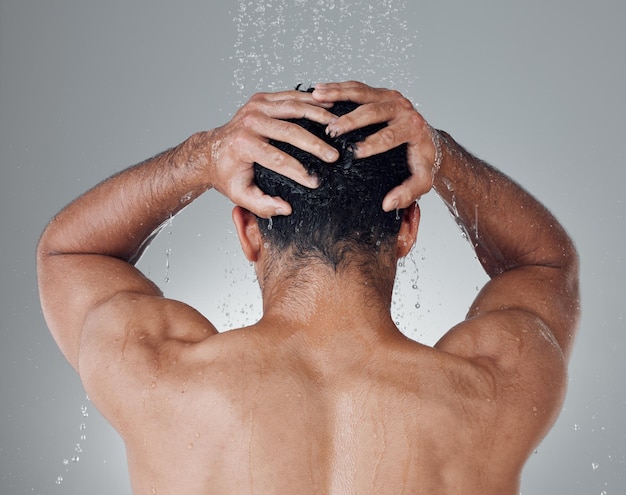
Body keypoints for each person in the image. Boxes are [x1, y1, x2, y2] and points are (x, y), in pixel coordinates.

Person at [37, 81, 579, 494]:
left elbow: (70, 254)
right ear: (407, 229)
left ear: (249, 230)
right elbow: (545, 264)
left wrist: (201, 157)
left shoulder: (160, 373)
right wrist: (443, 155)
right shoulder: (490, 388)